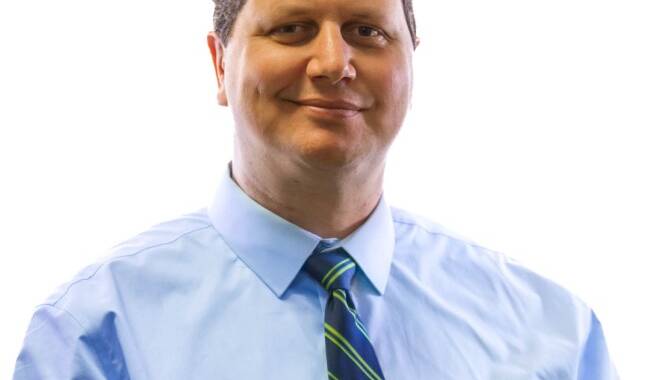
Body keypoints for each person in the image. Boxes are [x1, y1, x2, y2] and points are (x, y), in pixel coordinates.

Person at [13, 0, 619, 378]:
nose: (333, 62)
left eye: (366, 30)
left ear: (412, 61)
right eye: (293, 28)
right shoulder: (95, 332)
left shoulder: (552, 332)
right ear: (220, 65)